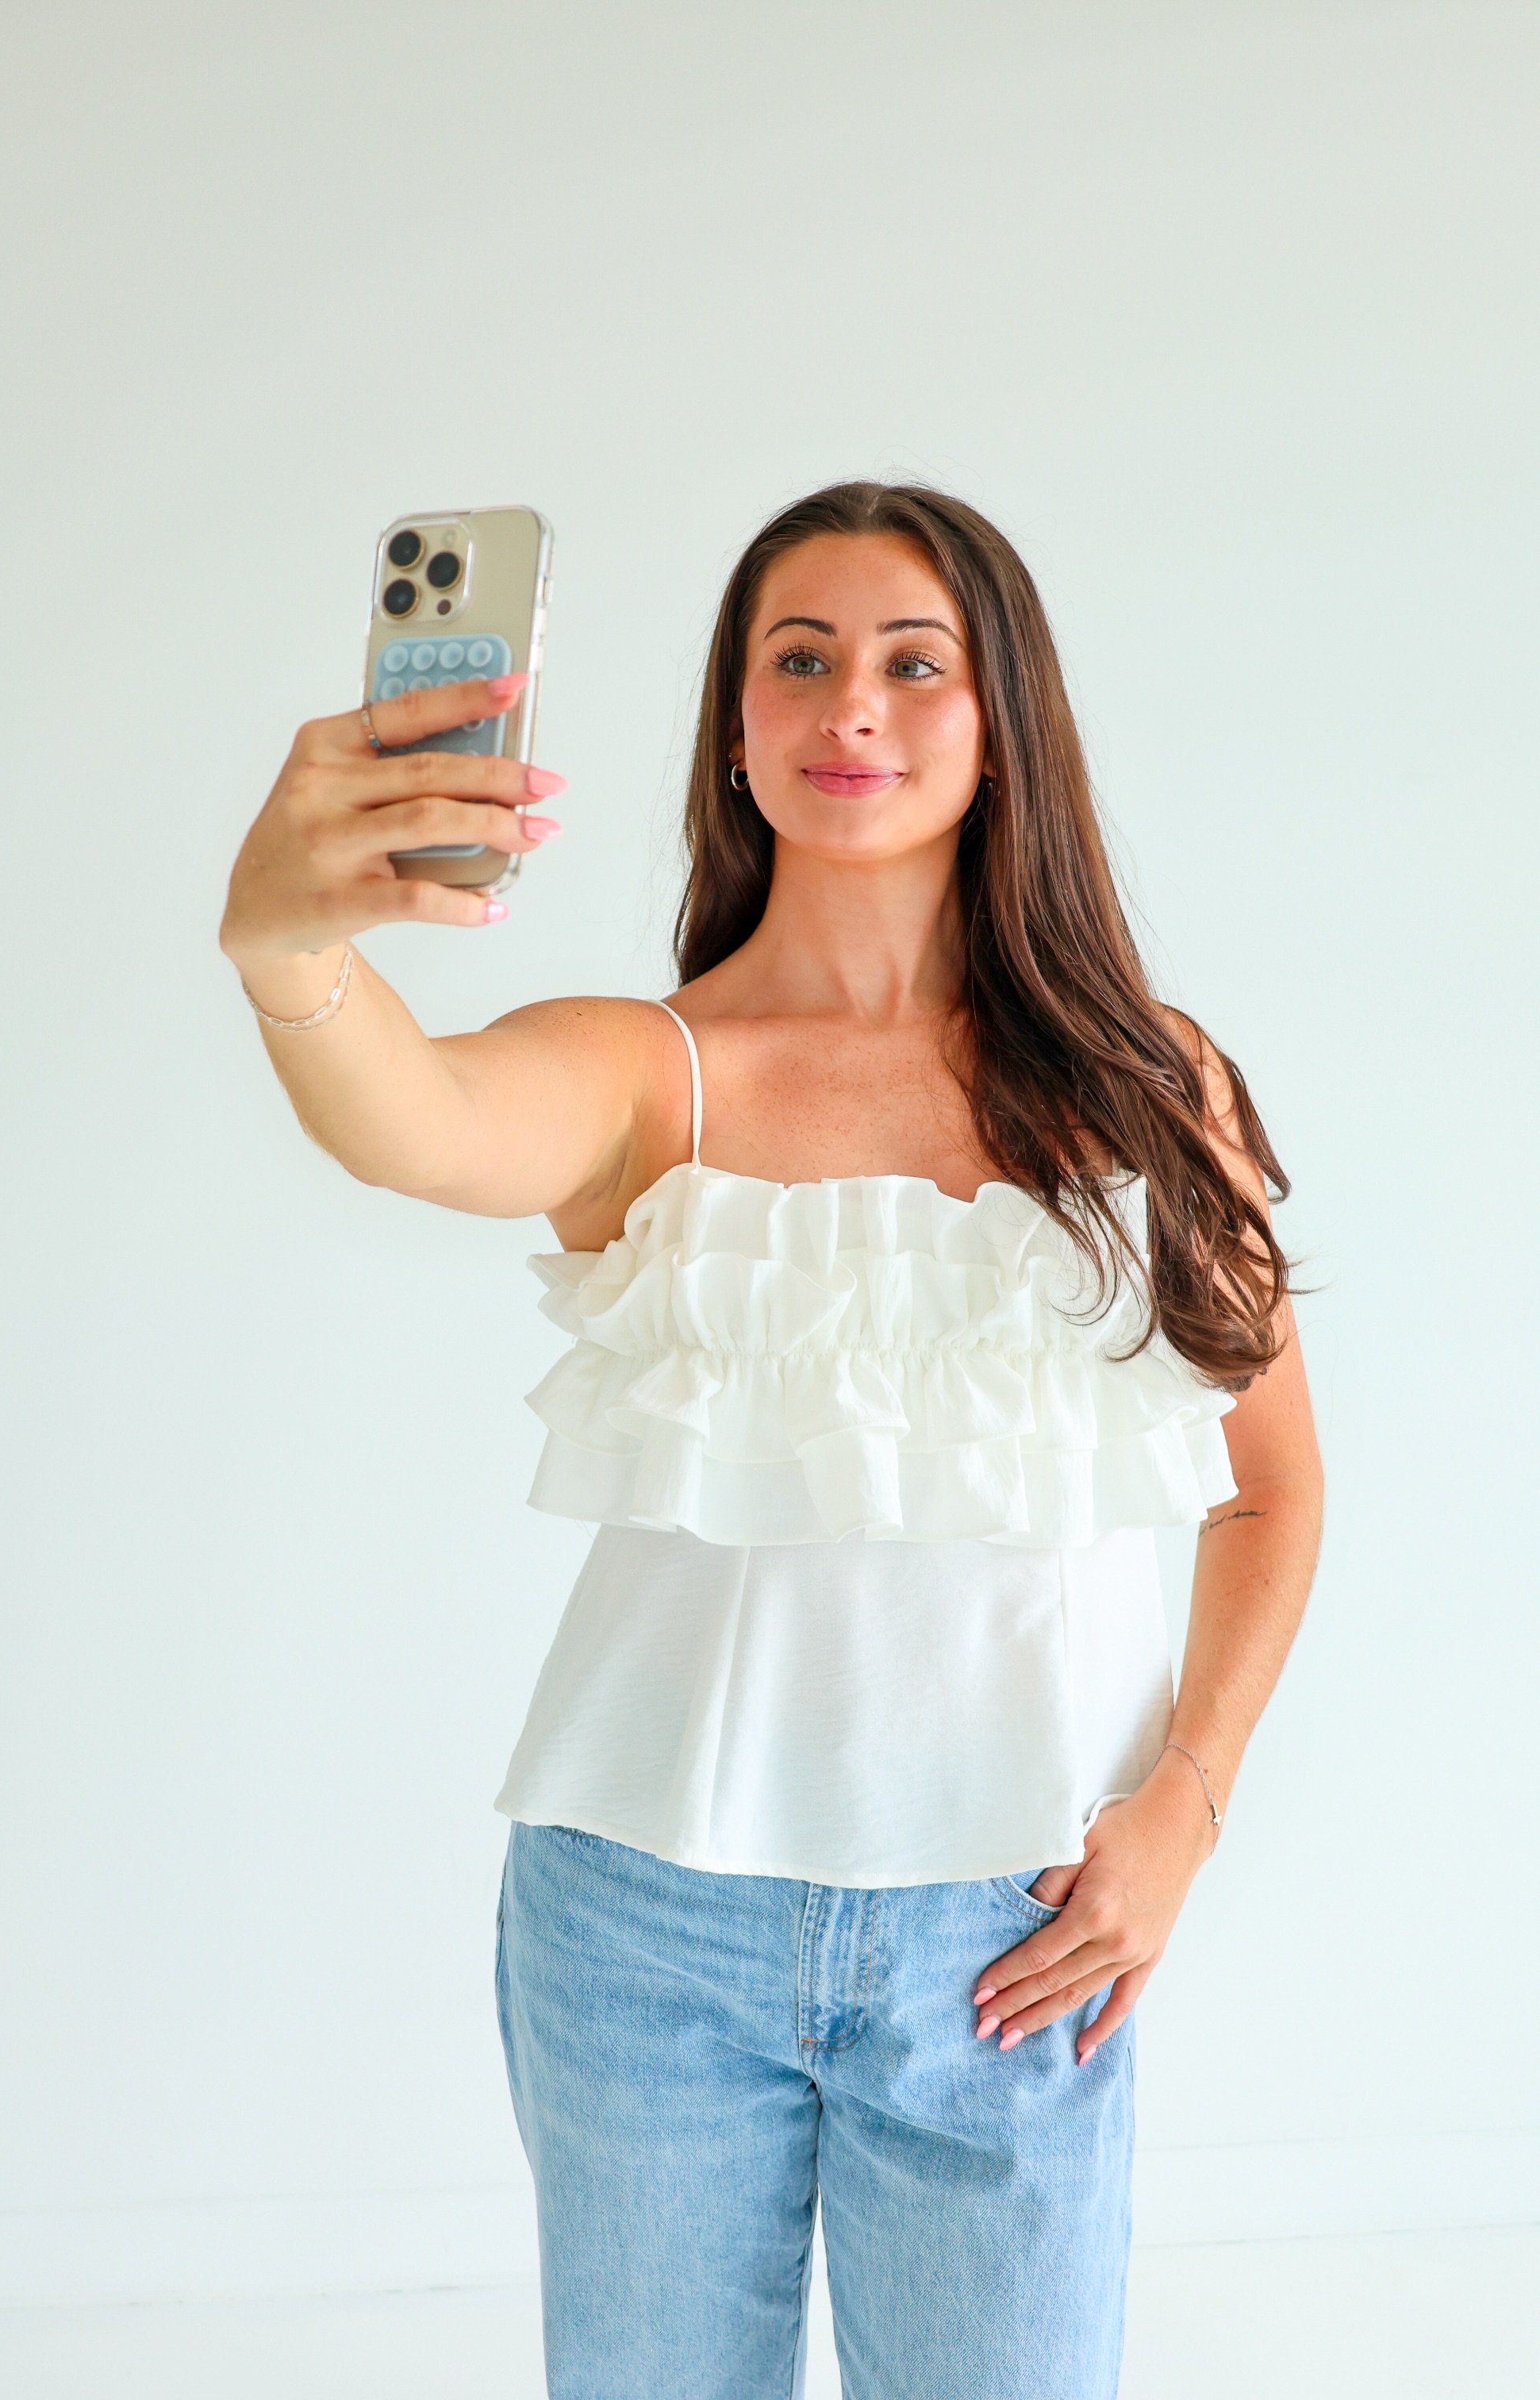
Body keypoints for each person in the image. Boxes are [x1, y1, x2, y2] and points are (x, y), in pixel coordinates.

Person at [221, 481, 1323, 2400]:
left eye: (915, 663)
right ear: (735, 731)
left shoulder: (1155, 1084)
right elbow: (409, 1119)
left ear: (1005, 726)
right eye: (795, 662)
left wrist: (1187, 1807)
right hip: (647, 1924)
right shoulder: (651, 1074)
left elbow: (1274, 1483)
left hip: (1018, 1928)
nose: (852, 709)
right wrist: (289, 957)